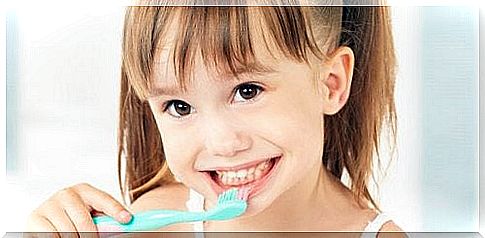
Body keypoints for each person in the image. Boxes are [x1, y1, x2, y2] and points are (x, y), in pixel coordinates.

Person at [27, 1, 406, 236]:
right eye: (179, 106)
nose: (222, 143)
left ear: (330, 83)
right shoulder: (154, 229)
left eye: (247, 91)